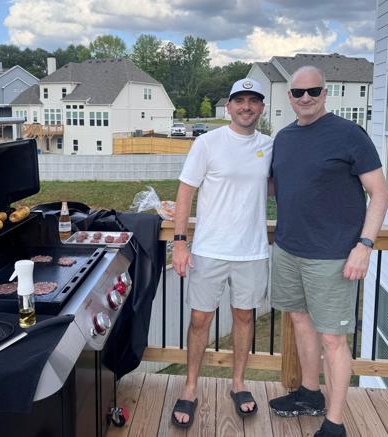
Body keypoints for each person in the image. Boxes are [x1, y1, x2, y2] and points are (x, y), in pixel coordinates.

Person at [268, 66, 388, 437]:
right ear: (290, 97)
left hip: (334, 255)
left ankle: (335, 424)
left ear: (325, 93)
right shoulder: (284, 138)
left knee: (334, 339)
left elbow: (380, 194)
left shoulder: (349, 134)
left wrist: (364, 245)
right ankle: (309, 393)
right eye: (298, 92)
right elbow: (276, 186)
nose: (305, 98)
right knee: (300, 321)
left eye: (313, 91)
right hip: (288, 248)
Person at [171, 78, 273, 428]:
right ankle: (190, 388)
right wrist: (180, 242)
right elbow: (185, 192)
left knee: (244, 317)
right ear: (228, 107)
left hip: (252, 250)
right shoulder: (207, 143)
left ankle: (239, 383)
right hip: (210, 248)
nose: (246, 106)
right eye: (239, 100)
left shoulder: (270, 146)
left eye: (253, 101)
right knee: (200, 320)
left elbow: (277, 185)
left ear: (261, 108)